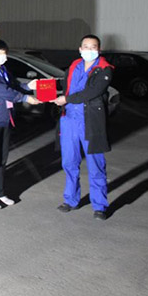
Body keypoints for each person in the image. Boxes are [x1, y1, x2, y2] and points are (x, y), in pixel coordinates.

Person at [52, 34, 113, 220]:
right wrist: (46, 88)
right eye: (86, 46)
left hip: (91, 121)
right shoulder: (74, 66)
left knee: (96, 164)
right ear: (80, 49)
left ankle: (100, 206)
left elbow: (92, 92)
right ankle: (71, 200)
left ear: (99, 50)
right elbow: (65, 86)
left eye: (93, 47)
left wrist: (67, 99)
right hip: (69, 119)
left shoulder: (104, 69)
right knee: (69, 162)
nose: (89, 50)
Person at [0, 39, 40, 210]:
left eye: (3, 53)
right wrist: (25, 97)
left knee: (2, 160)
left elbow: (14, 85)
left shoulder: (4, 70)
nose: (1, 56)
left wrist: (28, 86)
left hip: (5, 119)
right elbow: (1, 90)